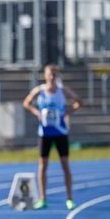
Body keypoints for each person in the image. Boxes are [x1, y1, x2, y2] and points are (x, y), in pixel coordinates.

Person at [22, 64, 82, 210]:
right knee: (42, 166)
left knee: (65, 165)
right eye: (50, 74)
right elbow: (26, 103)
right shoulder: (40, 90)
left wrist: (67, 112)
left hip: (60, 132)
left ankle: (69, 199)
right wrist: (37, 113)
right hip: (45, 133)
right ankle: (43, 199)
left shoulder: (62, 90)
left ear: (58, 76)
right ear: (45, 75)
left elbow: (79, 102)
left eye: (55, 74)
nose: (52, 77)